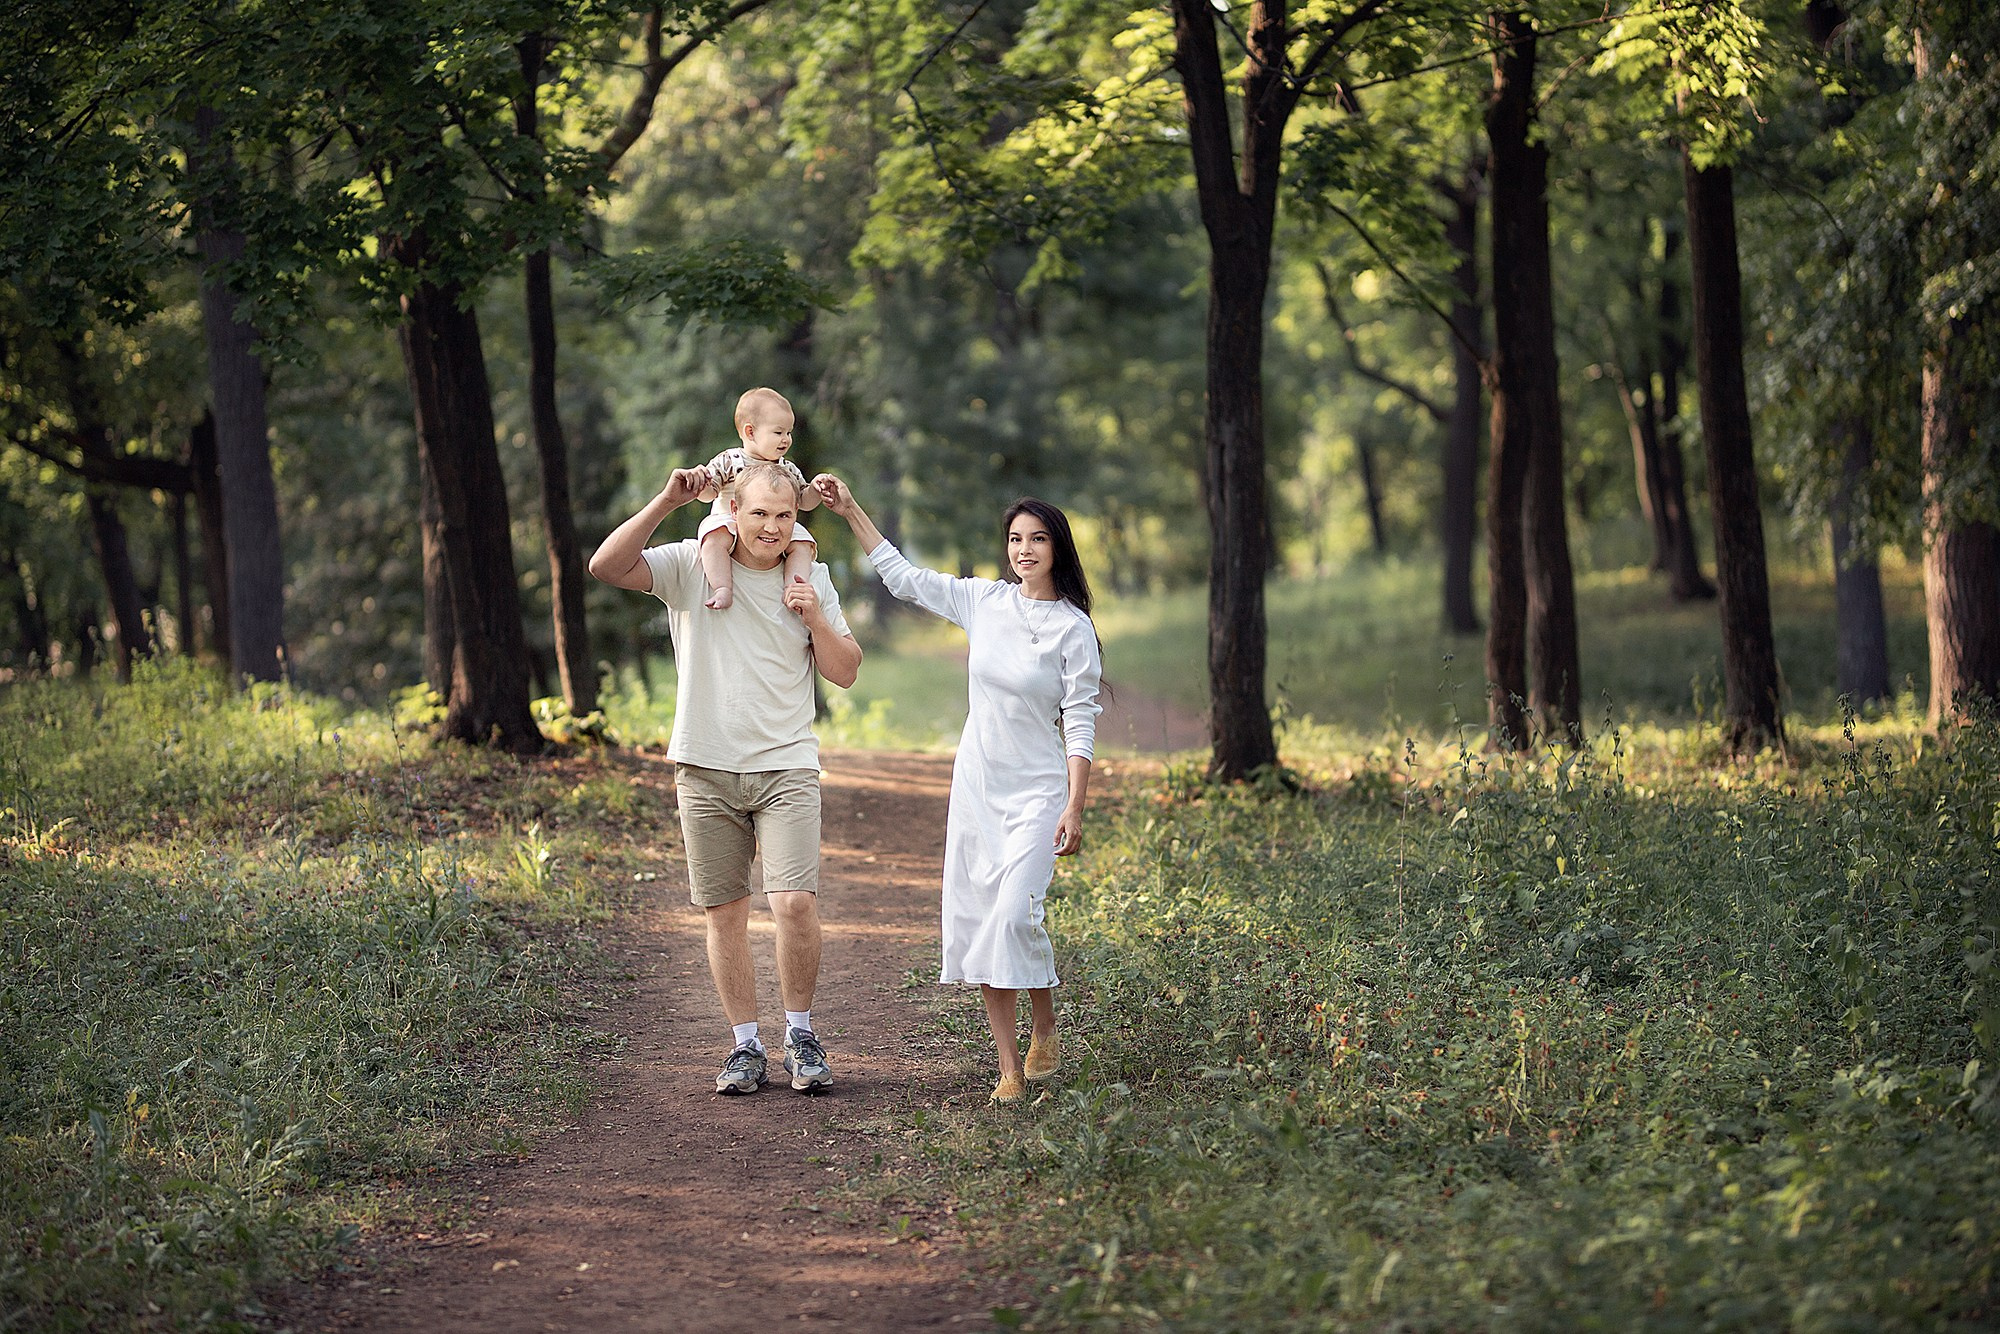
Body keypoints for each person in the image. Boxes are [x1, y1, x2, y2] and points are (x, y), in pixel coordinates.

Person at [812, 474, 1102, 1104]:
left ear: (1059, 548)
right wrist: (851, 506)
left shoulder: (1073, 630)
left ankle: (1045, 1023)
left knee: (1014, 914)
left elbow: (1080, 719)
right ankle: (1008, 1069)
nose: (1024, 550)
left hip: (1038, 791)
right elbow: (903, 576)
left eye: (1038, 539)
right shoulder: (983, 602)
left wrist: (1075, 805)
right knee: (980, 922)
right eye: (1016, 539)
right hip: (977, 786)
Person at [589, 460, 862, 1095]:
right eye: (759, 514)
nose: (771, 527)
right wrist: (664, 501)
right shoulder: (692, 564)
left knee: (794, 903)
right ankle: (745, 1046)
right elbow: (604, 566)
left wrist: (815, 617)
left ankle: (801, 1035)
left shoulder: (811, 577)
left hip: (787, 764)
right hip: (704, 765)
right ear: (731, 512)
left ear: (798, 521)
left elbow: (845, 672)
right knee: (726, 912)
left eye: (784, 516)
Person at [696, 387, 820, 610]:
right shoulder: (730, 460)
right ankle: (723, 588)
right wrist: (699, 483)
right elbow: (708, 495)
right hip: (729, 521)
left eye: (789, 433)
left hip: (774, 528)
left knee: (802, 543)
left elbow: (804, 500)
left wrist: (818, 490)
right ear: (750, 432)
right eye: (778, 432)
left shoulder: (787, 469)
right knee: (713, 539)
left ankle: (794, 589)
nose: (786, 440)